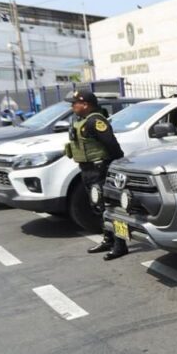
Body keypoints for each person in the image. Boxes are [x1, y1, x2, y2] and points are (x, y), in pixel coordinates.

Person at [63, 90, 127, 260]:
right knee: (98, 207)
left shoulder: (96, 121)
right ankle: (108, 239)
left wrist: (115, 166)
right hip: (87, 170)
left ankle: (120, 245)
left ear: (85, 104)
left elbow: (112, 145)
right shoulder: (81, 121)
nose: (72, 106)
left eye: (75, 103)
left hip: (100, 169)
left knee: (110, 207)